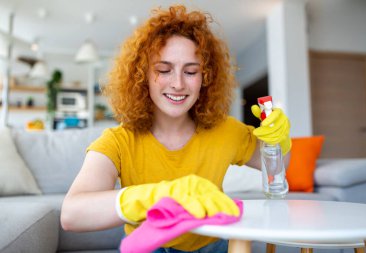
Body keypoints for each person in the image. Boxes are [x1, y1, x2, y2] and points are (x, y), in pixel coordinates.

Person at [61, 5, 291, 253]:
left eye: (191, 71)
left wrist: (278, 142)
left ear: (205, 78)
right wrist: (158, 196)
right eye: (163, 70)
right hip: (149, 246)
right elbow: (72, 214)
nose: (178, 84)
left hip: (212, 244)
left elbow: (280, 165)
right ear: (142, 75)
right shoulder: (119, 141)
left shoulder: (225, 131)